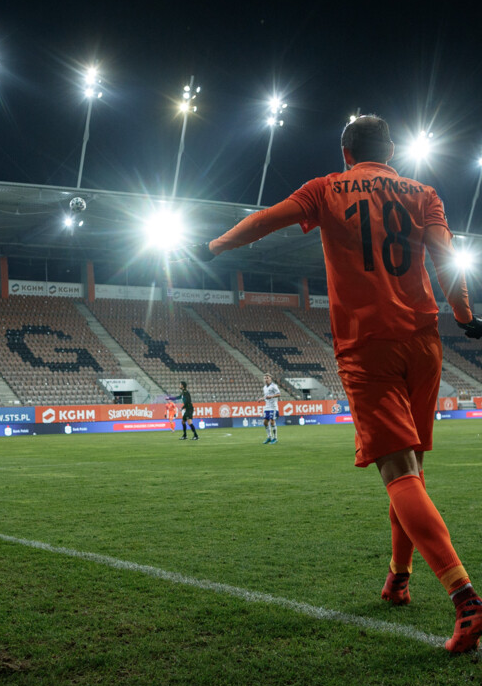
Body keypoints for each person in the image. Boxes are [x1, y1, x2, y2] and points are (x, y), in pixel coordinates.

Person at [173, 115, 482, 652]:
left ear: (345, 152)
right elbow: (444, 257)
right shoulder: (424, 193)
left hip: (368, 346)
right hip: (425, 341)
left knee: (398, 472)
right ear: (391, 151)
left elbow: (266, 220)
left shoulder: (327, 188)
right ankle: (398, 579)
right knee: (411, 469)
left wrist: (214, 247)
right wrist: (464, 314)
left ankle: (465, 600)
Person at [261, 374, 280, 444]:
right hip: (267, 407)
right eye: (265, 378)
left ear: (270, 379)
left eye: (267, 378)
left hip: (273, 406)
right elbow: (266, 396)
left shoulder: (274, 386)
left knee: (272, 421)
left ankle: (275, 438)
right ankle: (269, 437)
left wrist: (271, 396)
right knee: (265, 422)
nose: (266, 379)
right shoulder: (264, 388)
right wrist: (262, 398)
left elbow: (279, 394)